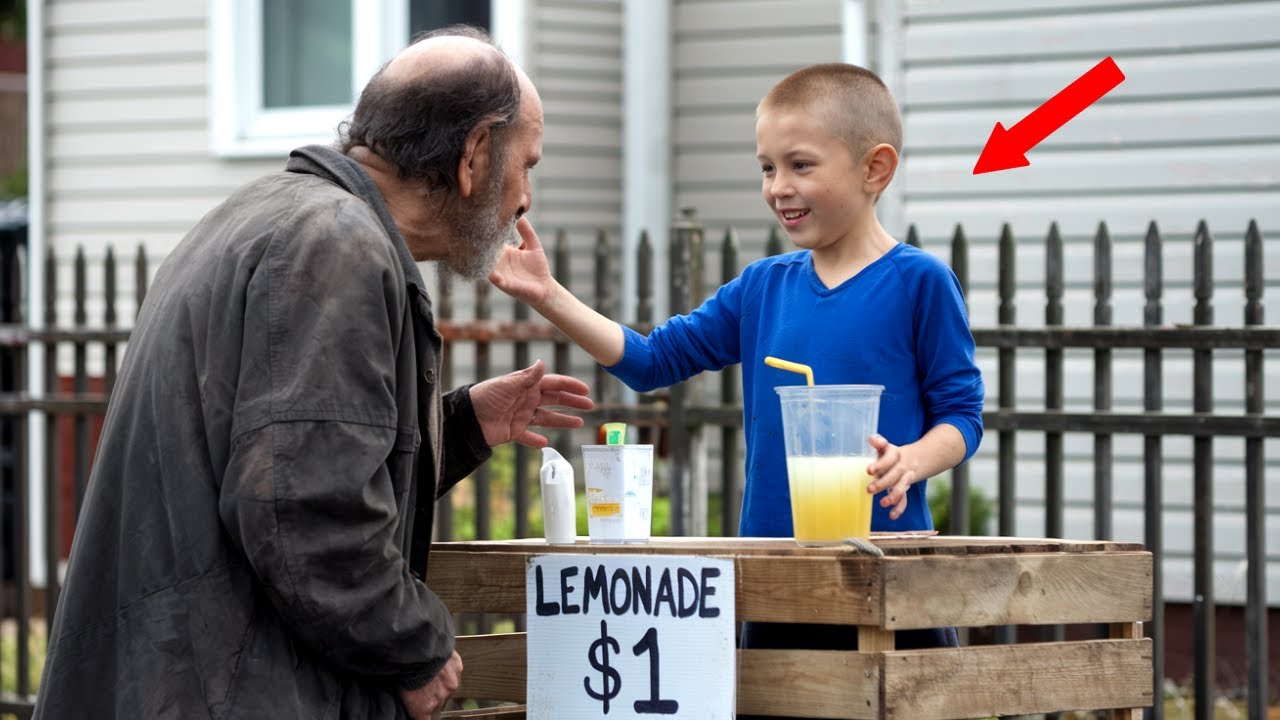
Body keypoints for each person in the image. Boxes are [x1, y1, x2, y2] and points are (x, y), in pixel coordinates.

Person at [34, 27, 593, 720]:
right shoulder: (336, 245)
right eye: (526, 164)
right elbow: (300, 505)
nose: (526, 199)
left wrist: (463, 425)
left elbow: (292, 456)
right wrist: (413, 647)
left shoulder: (271, 215)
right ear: (475, 154)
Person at [491, 62, 984, 716]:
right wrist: (547, 296)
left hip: (889, 577)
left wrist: (911, 460)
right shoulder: (762, 289)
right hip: (773, 579)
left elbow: (962, 417)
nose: (778, 187)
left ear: (876, 170)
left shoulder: (920, 283)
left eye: (800, 165)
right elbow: (650, 361)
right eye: (766, 167)